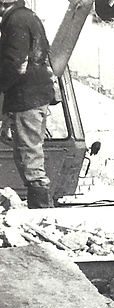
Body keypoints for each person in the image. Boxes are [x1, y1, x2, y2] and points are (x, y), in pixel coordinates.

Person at [0, 0, 56, 208]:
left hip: (25, 97)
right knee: (29, 154)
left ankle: (41, 212)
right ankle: (41, 210)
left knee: (28, 156)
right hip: (35, 95)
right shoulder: (26, 16)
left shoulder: (16, 20)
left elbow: (15, 63)